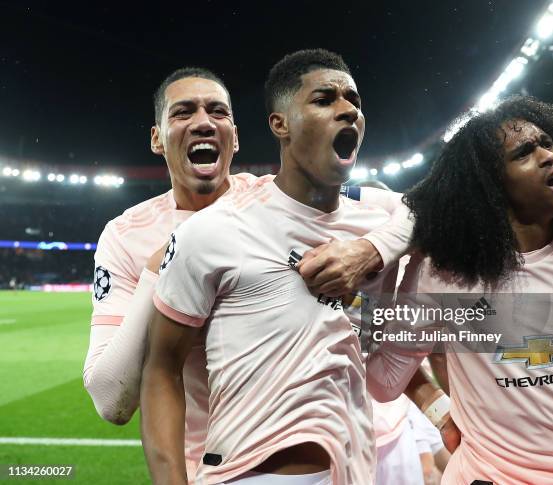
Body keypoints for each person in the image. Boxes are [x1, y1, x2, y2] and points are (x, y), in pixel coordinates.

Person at [83, 65, 405, 482]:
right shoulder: (126, 236)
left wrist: (368, 250)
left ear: (234, 138)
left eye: (217, 111)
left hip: (337, 454)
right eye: (183, 113)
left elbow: (414, 207)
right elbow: (112, 401)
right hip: (212, 465)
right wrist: (160, 267)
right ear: (157, 138)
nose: (202, 121)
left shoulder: (278, 197)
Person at [367, 96, 553, 484]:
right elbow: (383, 381)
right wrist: (436, 410)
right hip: (488, 477)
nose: (549, 156)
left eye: (548, 143)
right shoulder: (444, 272)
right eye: (525, 153)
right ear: (491, 186)